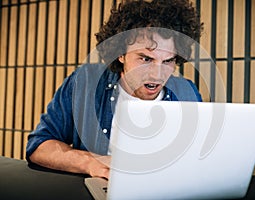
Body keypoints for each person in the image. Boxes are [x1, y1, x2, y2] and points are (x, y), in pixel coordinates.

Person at [26, 0, 204, 179]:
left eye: (168, 61)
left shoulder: (187, 91)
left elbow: (202, 156)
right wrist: (90, 162)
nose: (157, 74)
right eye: (146, 59)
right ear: (121, 53)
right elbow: (39, 146)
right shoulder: (85, 82)